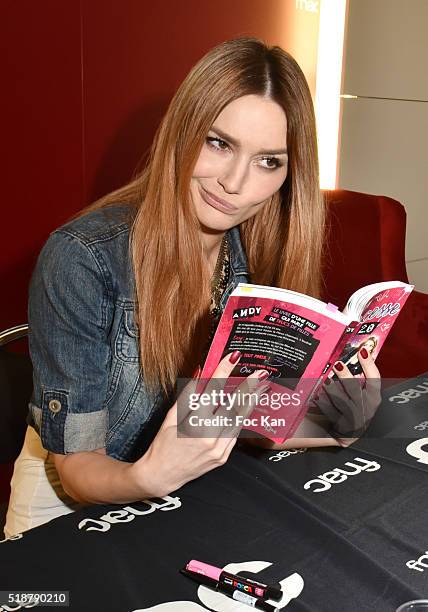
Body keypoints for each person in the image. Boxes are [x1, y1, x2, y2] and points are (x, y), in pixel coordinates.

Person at [5, 37, 380, 537]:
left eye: (269, 161)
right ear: (182, 133)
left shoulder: (258, 255)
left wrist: (337, 426)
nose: (235, 182)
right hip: (72, 501)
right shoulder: (84, 257)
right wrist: (150, 476)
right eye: (218, 142)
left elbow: (234, 423)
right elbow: (78, 471)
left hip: (190, 489)